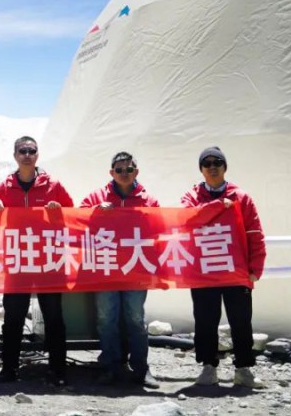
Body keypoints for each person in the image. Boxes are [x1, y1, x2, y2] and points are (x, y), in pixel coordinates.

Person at [0, 136, 74, 386]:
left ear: (38, 155)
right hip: (17, 258)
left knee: (54, 317)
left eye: (32, 151)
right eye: (22, 151)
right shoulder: (4, 187)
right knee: (13, 317)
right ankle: (8, 369)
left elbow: (73, 217)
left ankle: (58, 369)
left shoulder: (54, 185)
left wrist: (59, 212)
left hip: (48, 257)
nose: (27, 154)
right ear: (15, 155)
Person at [181, 147, 267, 389]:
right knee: (205, 321)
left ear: (225, 166)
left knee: (241, 321)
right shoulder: (191, 196)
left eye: (217, 162)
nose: (212, 166)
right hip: (204, 270)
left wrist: (255, 267)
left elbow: (255, 234)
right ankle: (208, 368)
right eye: (206, 163)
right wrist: (219, 206)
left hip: (236, 270)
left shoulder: (242, 197)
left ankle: (244, 369)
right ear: (201, 169)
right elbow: (188, 217)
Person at [79, 152, 160, 388]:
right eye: (119, 169)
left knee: (135, 319)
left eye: (129, 169)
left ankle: (141, 369)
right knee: (106, 319)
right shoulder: (97, 196)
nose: (124, 173)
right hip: (106, 268)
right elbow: (78, 218)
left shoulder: (148, 200)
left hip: (136, 269)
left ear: (137, 171)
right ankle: (110, 366)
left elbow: (158, 230)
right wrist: (95, 210)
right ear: (111, 173)